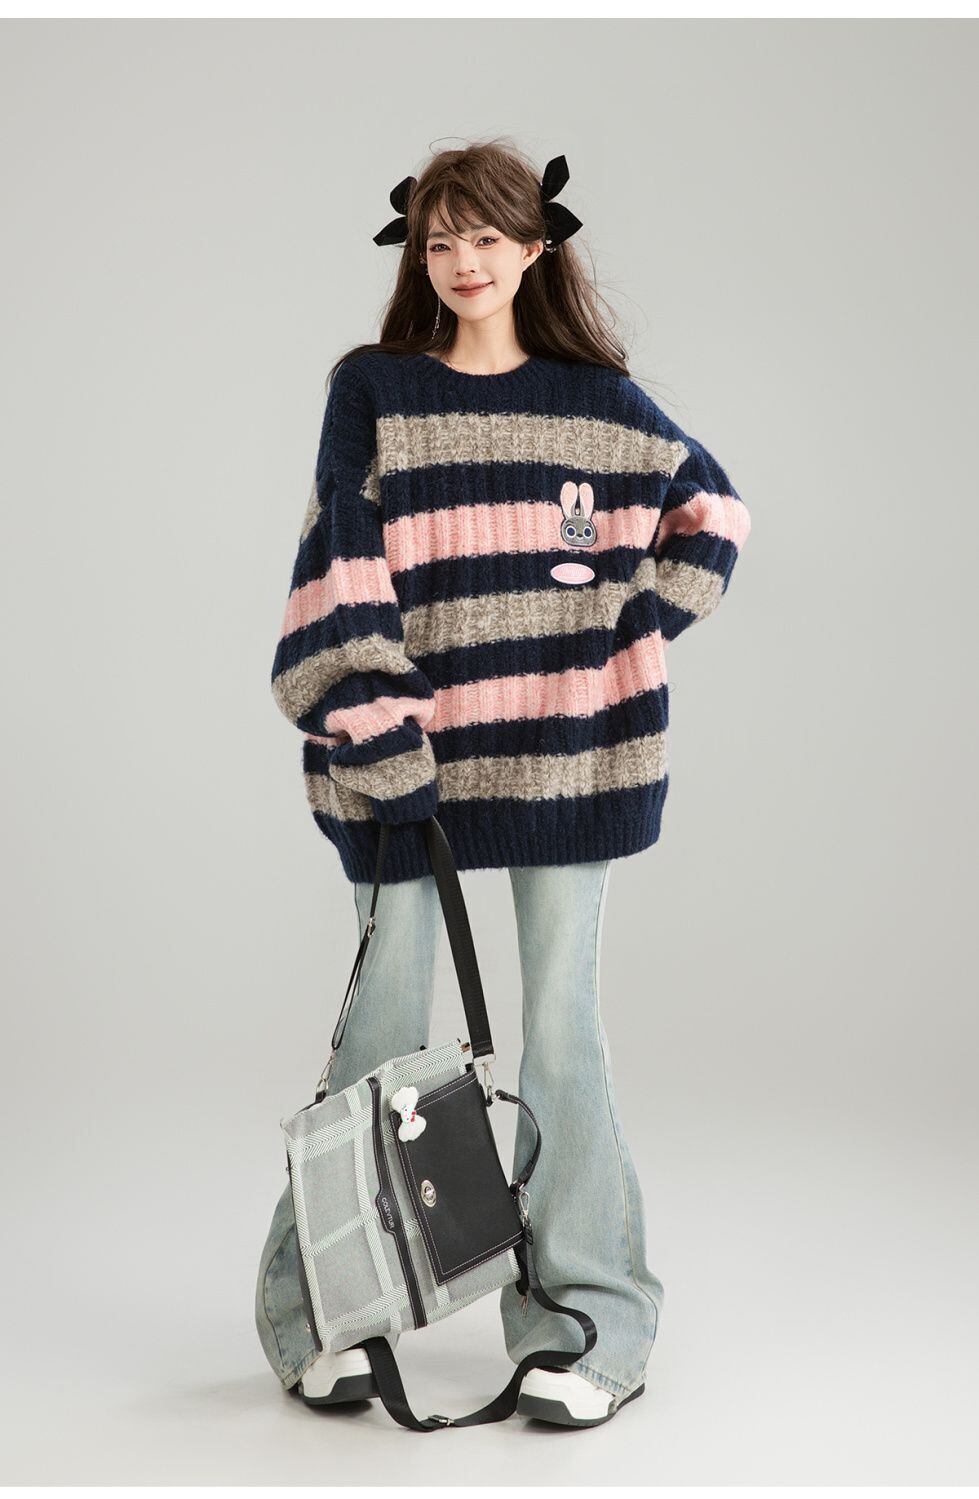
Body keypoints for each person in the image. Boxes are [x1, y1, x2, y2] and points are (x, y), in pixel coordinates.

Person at [255, 139, 752, 1428]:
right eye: (440, 240)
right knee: (381, 1034)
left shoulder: (603, 403)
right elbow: (338, 564)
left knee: (562, 1034)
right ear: (418, 256)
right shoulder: (376, 390)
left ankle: (589, 1322)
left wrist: (625, 637)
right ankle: (323, 1315)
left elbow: (711, 517)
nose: (462, 261)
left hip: (570, 754)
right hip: (406, 767)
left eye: (485, 236)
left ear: (538, 247)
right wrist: (379, 731)